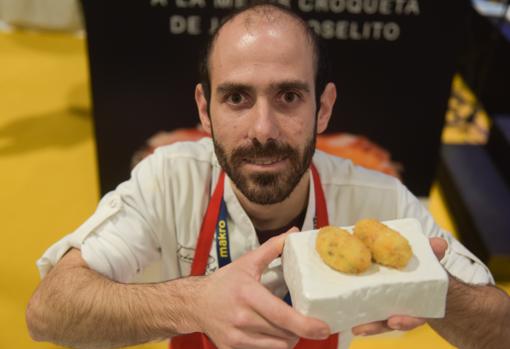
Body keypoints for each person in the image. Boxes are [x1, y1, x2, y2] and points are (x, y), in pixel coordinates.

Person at [26, 2, 510, 349]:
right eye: (237, 98)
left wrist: (433, 288)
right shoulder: (169, 179)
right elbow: (48, 311)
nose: (263, 130)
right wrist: (194, 304)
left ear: (323, 108)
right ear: (205, 109)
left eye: (289, 97)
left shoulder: (377, 201)